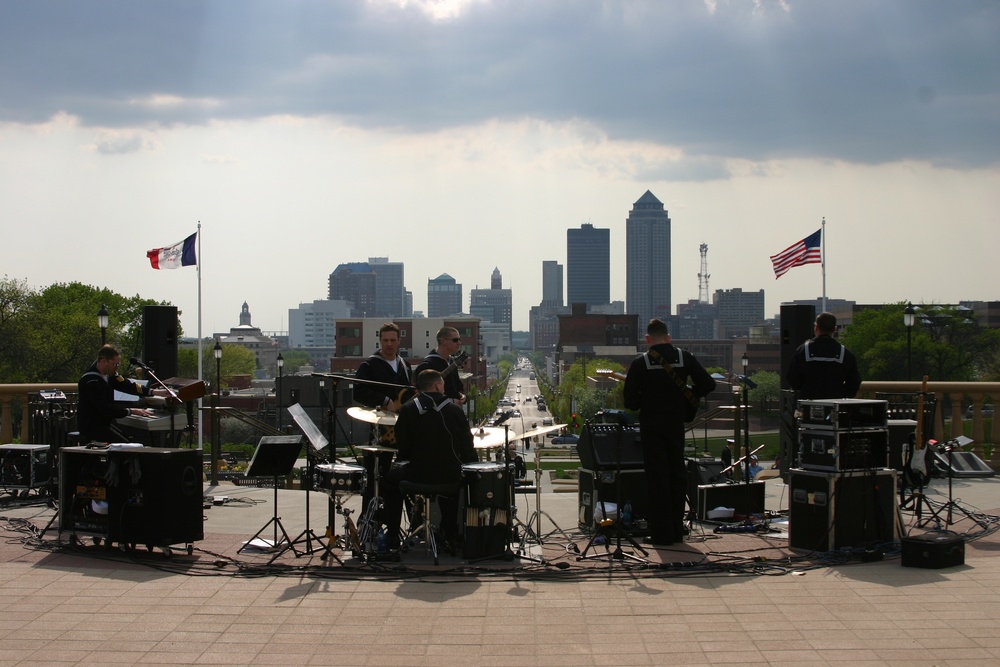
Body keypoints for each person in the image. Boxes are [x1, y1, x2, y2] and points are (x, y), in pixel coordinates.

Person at [623, 318, 716, 547]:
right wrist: (686, 394)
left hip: (652, 426)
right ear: (668, 338)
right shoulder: (685, 358)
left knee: (657, 479)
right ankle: (677, 529)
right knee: (677, 475)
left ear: (647, 340)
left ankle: (661, 534)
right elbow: (708, 385)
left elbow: (631, 403)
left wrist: (649, 396)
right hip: (676, 424)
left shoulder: (641, 363)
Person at [383, 369, 477, 556]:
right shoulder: (455, 411)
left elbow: (403, 449)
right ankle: (450, 535)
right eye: (442, 384)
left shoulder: (409, 410)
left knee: (388, 480)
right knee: (457, 481)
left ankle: (393, 534)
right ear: (437, 385)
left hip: (416, 475)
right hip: (449, 476)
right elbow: (467, 449)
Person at [352, 322, 414, 527]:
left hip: (402, 430)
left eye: (393, 340)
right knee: (377, 475)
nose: (389, 344)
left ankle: (403, 524)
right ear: (380, 341)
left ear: (399, 341)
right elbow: (359, 392)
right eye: (385, 340)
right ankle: (371, 521)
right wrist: (385, 401)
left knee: (406, 474)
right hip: (380, 430)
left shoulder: (404, 364)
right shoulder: (369, 365)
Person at [76, 344, 165, 443]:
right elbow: (105, 409)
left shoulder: (110, 375)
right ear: (103, 361)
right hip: (92, 427)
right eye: (115, 364)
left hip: (103, 425)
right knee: (126, 446)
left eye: (118, 364)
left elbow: (127, 385)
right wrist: (131, 411)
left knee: (128, 441)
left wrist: (152, 391)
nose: (117, 368)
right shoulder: (91, 381)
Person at [786, 312, 862, 400]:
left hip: (808, 404)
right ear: (835, 329)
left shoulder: (803, 350)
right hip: (835, 404)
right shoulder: (845, 353)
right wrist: (842, 395)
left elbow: (792, 379)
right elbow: (855, 382)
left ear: (816, 327)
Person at [414, 326, 466, 405]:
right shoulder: (427, 365)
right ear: (443, 341)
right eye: (455, 340)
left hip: (452, 412)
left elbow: (458, 386)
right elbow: (423, 395)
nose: (459, 343)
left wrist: (463, 396)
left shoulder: (452, 362)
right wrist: (450, 401)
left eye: (459, 339)